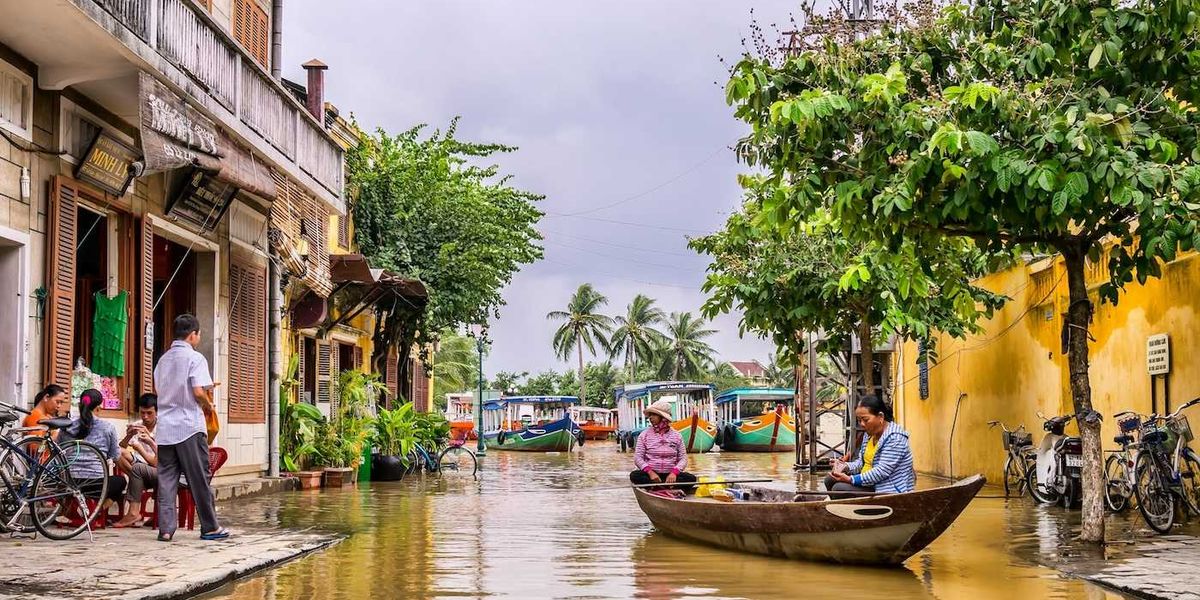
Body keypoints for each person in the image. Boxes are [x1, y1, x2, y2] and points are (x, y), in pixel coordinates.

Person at [153, 314, 228, 542]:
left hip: (165, 427)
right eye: (199, 334)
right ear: (193, 334)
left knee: (166, 480)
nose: (199, 337)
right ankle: (210, 527)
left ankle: (166, 530)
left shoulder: (162, 360)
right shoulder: (195, 359)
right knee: (199, 478)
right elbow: (197, 391)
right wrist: (208, 403)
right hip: (188, 426)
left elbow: (159, 391)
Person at [823, 395, 915, 494]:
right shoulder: (869, 435)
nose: (862, 424)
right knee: (829, 479)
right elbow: (861, 463)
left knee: (839, 489)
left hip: (886, 488)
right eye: (859, 420)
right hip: (871, 484)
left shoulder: (895, 438)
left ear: (880, 416)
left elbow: (881, 471)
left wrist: (851, 479)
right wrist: (844, 466)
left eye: (865, 420)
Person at [58, 389, 127, 508]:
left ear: (80, 405)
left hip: (69, 482)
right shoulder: (108, 427)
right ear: (99, 407)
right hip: (97, 485)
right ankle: (97, 511)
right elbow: (115, 456)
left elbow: (60, 450)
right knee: (121, 481)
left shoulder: (67, 427)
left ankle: (74, 511)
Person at [629, 399, 698, 490]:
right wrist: (650, 472)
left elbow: (683, 458)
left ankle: (660, 487)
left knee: (691, 478)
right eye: (650, 415)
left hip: (670, 476)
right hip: (651, 476)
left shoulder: (676, 436)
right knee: (634, 475)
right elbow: (638, 458)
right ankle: (661, 487)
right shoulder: (644, 435)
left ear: (663, 417)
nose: (650, 418)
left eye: (654, 415)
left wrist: (674, 472)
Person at [113, 393, 159, 528]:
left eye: (149, 413)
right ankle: (139, 482)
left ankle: (133, 512)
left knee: (138, 469)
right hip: (141, 466)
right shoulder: (138, 424)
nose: (145, 417)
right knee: (118, 452)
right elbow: (120, 448)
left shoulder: (163, 427)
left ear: (157, 412)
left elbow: (156, 463)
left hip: (157, 468)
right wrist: (128, 436)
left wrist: (147, 440)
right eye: (142, 413)